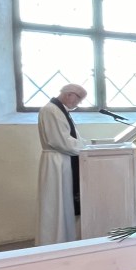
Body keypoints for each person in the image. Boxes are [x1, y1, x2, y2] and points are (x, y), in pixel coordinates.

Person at [36, 83, 88, 245]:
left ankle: (64, 239)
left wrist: (86, 146)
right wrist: (86, 149)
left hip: (64, 160)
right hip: (57, 162)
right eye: (78, 99)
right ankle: (53, 241)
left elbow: (72, 138)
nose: (78, 103)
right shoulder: (51, 110)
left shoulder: (60, 110)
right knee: (55, 204)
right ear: (69, 94)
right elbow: (60, 141)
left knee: (63, 204)